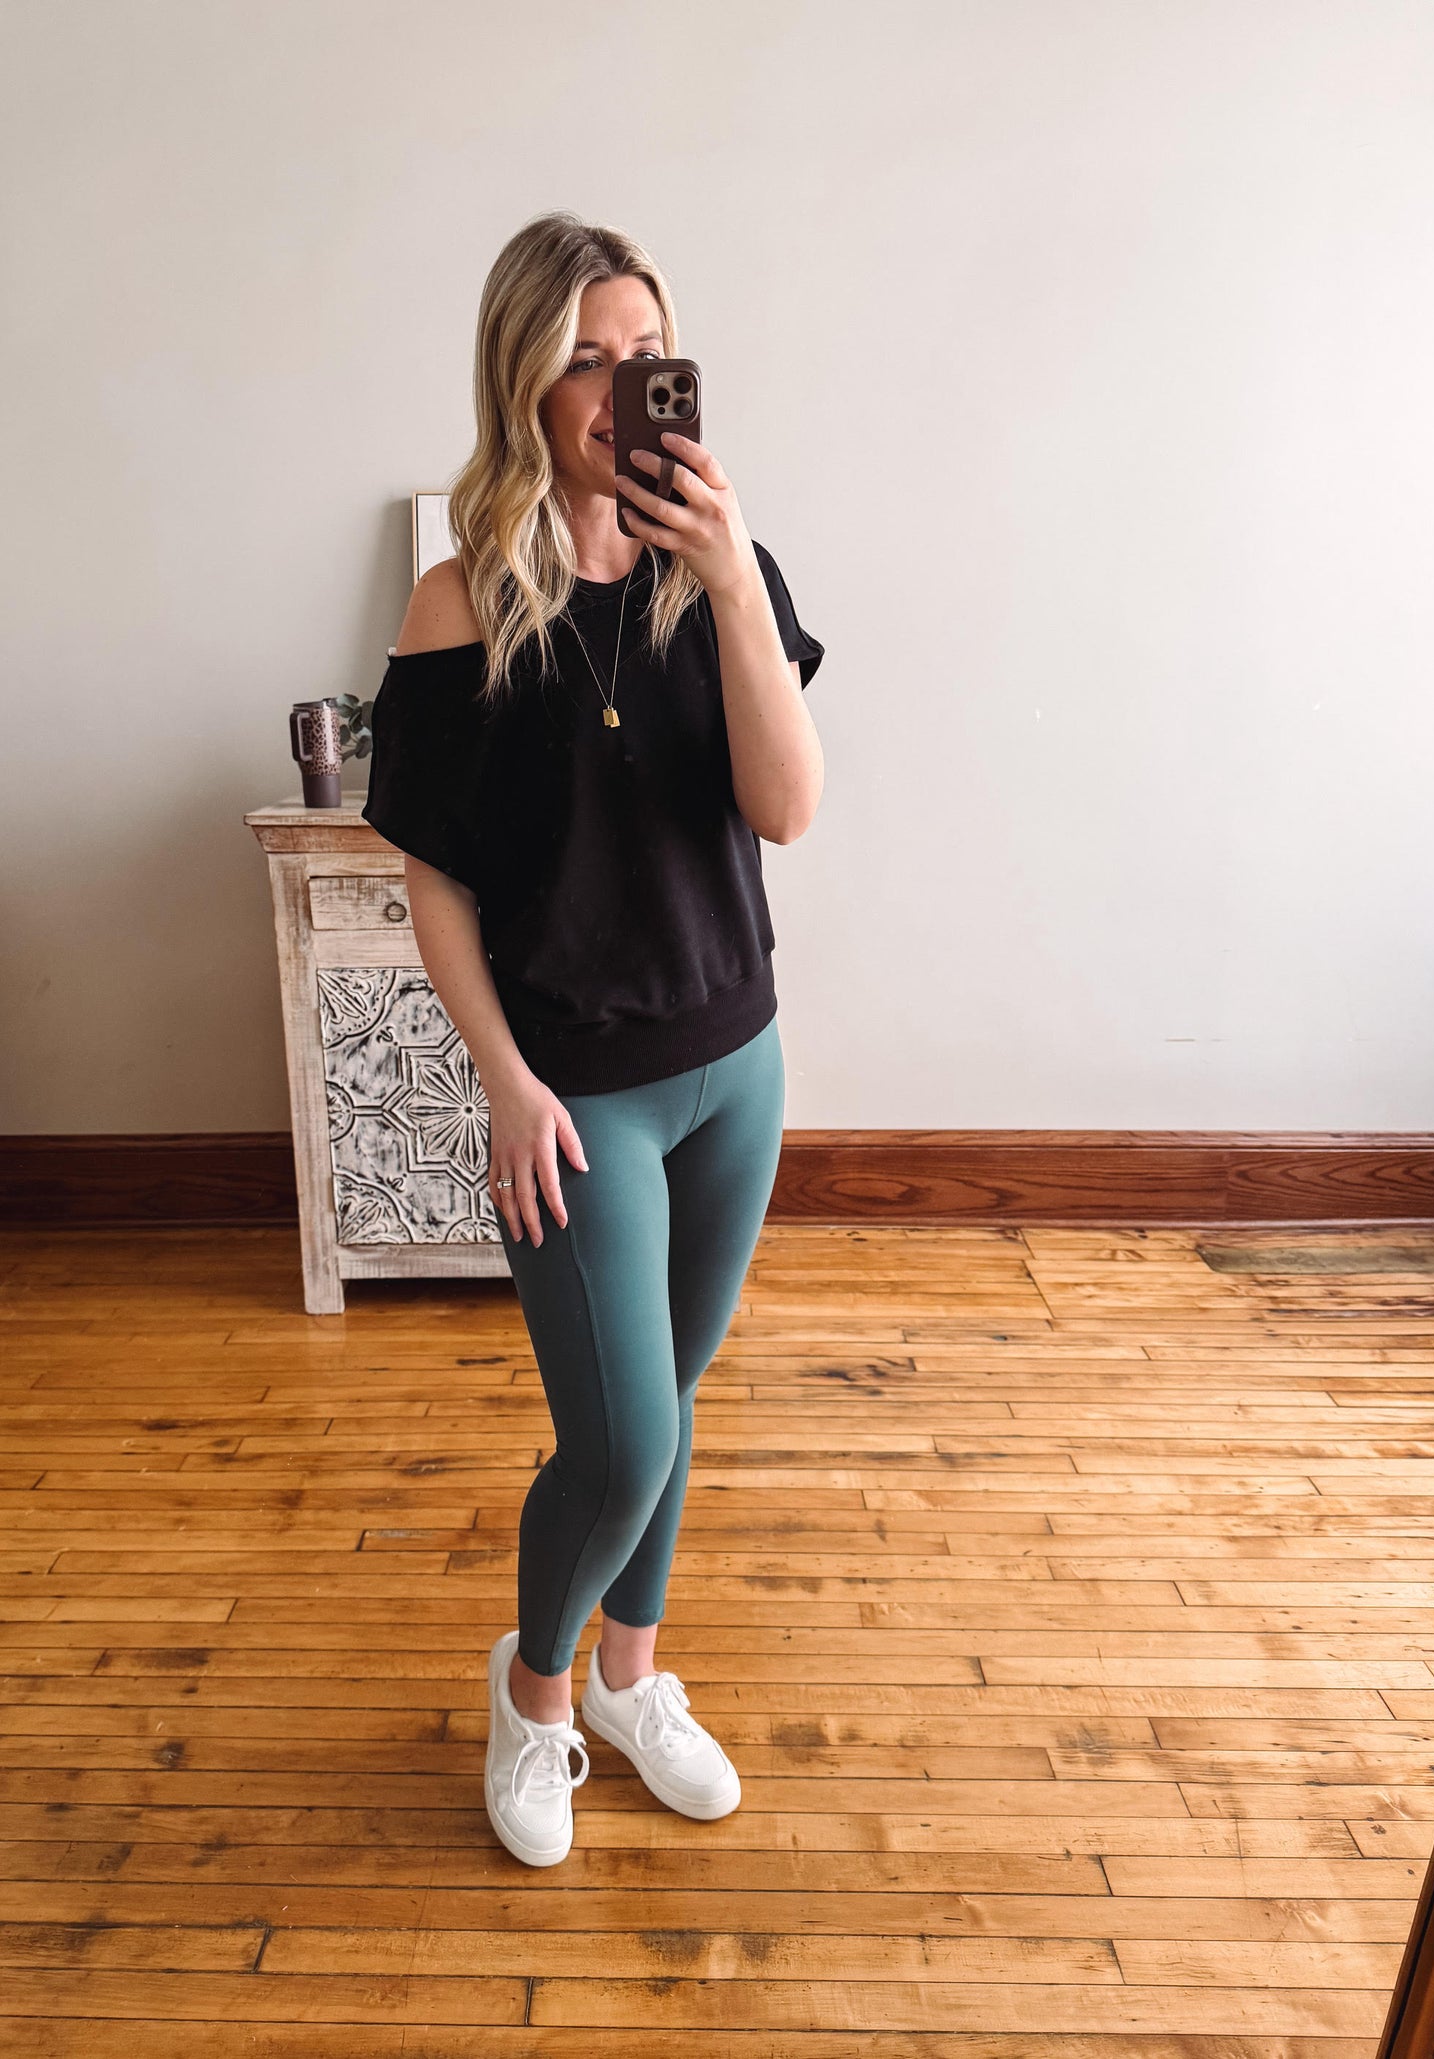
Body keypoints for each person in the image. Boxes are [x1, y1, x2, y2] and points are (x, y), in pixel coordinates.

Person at [362, 209, 825, 1867]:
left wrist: (731, 585)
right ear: (525, 375)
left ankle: (636, 1677)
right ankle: (537, 1693)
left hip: (734, 1065)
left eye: (646, 355)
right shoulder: (455, 602)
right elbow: (430, 884)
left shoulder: (728, 569)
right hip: (577, 1095)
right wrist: (502, 1081)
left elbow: (786, 807)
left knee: (673, 1405)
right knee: (619, 1437)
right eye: (585, 358)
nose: (622, 387)